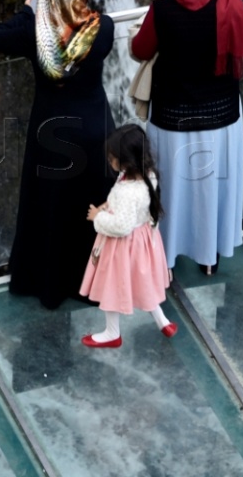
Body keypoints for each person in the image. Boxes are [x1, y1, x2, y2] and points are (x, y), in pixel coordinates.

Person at [0, 0, 115, 308]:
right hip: (95, 129)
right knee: (90, 203)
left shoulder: (35, 33)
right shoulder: (103, 27)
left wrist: (29, 10)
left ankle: (49, 284)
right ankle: (91, 281)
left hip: (54, 133)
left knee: (51, 205)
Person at [130, 0, 243, 276]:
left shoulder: (163, 9)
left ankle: (164, 260)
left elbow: (140, 49)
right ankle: (209, 257)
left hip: (173, 118)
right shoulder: (232, 6)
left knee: (171, 189)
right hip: (222, 118)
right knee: (213, 187)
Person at [79, 124, 177, 347]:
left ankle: (112, 333)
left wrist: (97, 217)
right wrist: (108, 204)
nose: (110, 161)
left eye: (113, 157)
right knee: (145, 284)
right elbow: (134, 209)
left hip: (121, 246)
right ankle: (163, 322)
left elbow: (121, 226)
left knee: (111, 287)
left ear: (126, 160)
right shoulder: (146, 175)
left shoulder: (127, 190)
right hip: (142, 240)